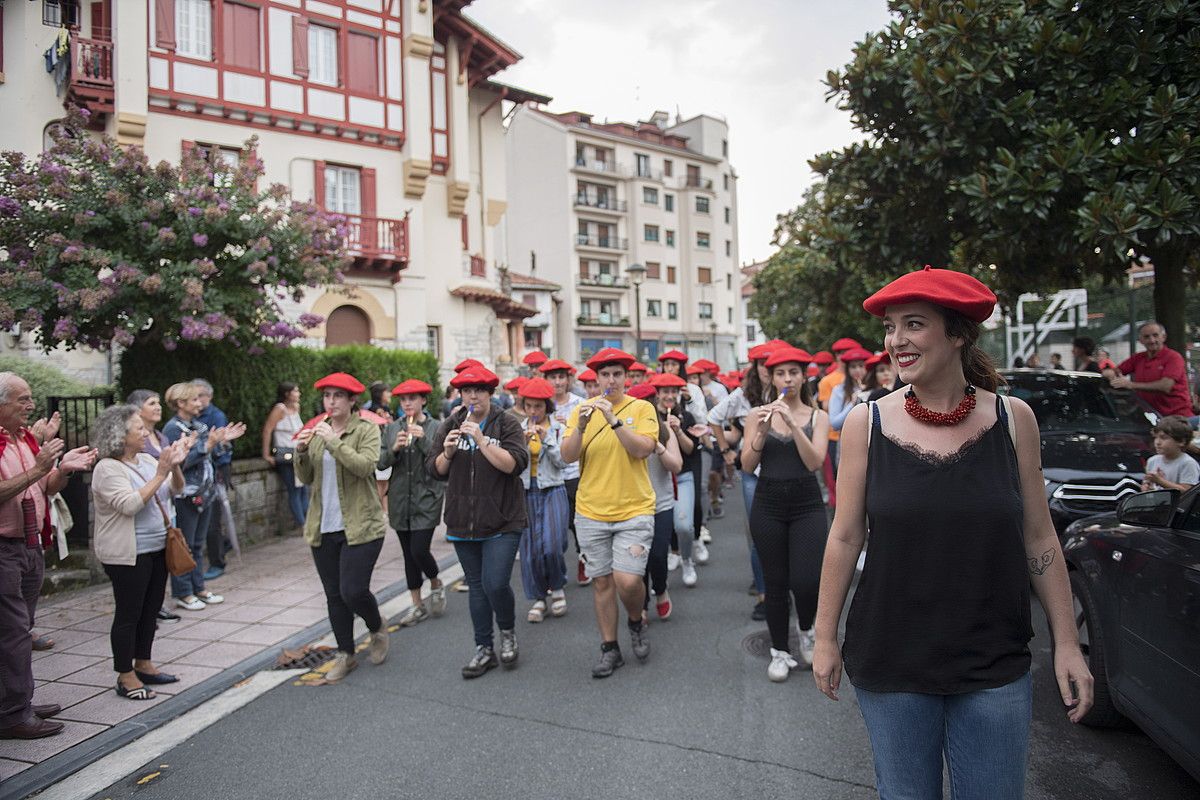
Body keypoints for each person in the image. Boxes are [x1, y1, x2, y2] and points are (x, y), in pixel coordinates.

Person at [812, 267, 1093, 798]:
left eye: (913, 325)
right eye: (891, 327)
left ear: (959, 334)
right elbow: (845, 537)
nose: (896, 340)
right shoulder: (864, 424)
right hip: (891, 661)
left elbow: (1040, 537)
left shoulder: (1015, 420)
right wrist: (825, 636)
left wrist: (1067, 645)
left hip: (994, 661)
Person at [0, 372, 96, 739]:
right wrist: (40, 468)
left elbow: (45, 486)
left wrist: (62, 471)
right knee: (12, 634)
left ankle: (14, 702)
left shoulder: (23, 438)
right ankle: (12, 713)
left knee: (19, 630)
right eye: (22, 400)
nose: (30, 406)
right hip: (4, 549)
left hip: (29, 546)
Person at [562, 348, 659, 678]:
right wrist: (581, 427)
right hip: (591, 511)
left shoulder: (642, 408)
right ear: (595, 380)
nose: (611, 380)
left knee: (628, 580)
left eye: (617, 374)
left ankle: (636, 619)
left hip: (635, 509)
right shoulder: (580, 411)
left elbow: (643, 449)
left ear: (626, 378)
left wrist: (614, 421)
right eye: (605, 375)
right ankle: (610, 648)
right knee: (602, 582)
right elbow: (566, 457)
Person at [427, 365, 528, 678]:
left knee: (495, 583)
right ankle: (483, 648)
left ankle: (508, 632)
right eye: (467, 390)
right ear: (460, 394)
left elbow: (516, 465)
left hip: (502, 519)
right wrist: (446, 452)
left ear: (490, 393)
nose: (473, 396)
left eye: (480, 390)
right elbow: (434, 469)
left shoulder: (507, 423)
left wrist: (483, 441)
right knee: (477, 587)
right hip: (463, 521)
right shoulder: (451, 424)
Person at [740, 347, 830, 682]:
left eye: (793, 372)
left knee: (806, 581)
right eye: (780, 373)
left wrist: (793, 424)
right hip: (768, 503)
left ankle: (806, 629)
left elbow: (814, 462)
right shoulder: (756, 415)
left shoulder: (817, 416)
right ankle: (779, 651)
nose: (787, 379)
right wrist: (762, 433)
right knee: (775, 582)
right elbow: (747, 466)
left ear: (803, 376)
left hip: (807, 504)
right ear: (771, 377)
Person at [295, 373, 391, 682]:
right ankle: (345, 654)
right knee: (334, 594)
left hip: (362, 524)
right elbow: (307, 477)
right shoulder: (315, 430)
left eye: (338, 396)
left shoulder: (366, 430)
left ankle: (376, 626)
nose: (331, 401)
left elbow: (365, 467)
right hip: (323, 526)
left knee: (353, 591)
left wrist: (334, 443)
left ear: (352, 401)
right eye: (327, 396)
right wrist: (300, 452)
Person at [90, 405, 188, 700]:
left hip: (157, 548)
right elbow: (130, 504)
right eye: (139, 429)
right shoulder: (107, 468)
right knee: (129, 613)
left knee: (150, 611)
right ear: (120, 435)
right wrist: (161, 473)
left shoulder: (146, 459)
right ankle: (125, 674)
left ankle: (144, 663)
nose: (146, 433)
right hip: (127, 554)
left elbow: (176, 490)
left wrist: (175, 466)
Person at [710, 342, 784, 620]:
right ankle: (765, 596)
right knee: (759, 536)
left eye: (772, 363)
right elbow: (714, 418)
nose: (767, 368)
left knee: (783, 535)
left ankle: (781, 588)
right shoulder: (742, 395)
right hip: (752, 474)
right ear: (755, 366)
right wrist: (727, 451)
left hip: (784, 471)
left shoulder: (788, 392)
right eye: (762, 363)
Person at [378, 379, 446, 626]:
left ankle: (436, 581)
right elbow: (380, 463)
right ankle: (417, 605)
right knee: (408, 555)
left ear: (423, 401)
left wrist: (424, 442)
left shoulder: (436, 427)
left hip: (426, 497)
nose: (407, 403)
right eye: (404, 399)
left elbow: (442, 461)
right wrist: (394, 448)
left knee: (419, 549)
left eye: (413, 399)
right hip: (399, 499)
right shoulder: (391, 428)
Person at [162, 383, 231, 611]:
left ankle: (198, 588)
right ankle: (183, 592)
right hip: (186, 494)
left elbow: (210, 455)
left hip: (206, 493)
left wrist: (220, 443)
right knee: (185, 544)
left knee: (198, 544)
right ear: (181, 403)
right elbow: (178, 462)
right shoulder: (173, 429)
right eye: (194, 400)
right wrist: (205, 447)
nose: (200, 403)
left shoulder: (198, 426)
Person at [514, 378, 570, 622]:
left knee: (553, 544)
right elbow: (514, 465)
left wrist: (547, 439)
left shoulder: (558, 428)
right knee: (531, 550)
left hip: (553, 489)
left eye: (538, 406)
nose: (534, 412)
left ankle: (557, 587)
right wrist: (522, 445)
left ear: (546, 406)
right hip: (527, 491)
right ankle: (538, 597)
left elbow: (563, 461)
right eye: (529, 406)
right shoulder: (517, 429)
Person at [126, 389, 182, 624]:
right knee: (139, 580)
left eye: (159, 402)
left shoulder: (160, 436)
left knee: (163, 564)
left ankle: (155, 606)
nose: (158, 407)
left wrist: (177, 462)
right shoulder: (129, 452)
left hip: (165, 508)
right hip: (142, 522)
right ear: (138, 411)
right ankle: (143, 611)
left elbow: (173, 481)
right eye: (152, 403)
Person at [628, 381, 683, 619]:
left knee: (658, 556)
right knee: (637, 561)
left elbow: (677, 466)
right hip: (633, 506)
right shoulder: (625, 430)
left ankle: (660, 589)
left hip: (661, 504)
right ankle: (642, 604)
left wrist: (659, 446)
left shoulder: (664, 430)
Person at [649, 374, 699, 594]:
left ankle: (687, 560)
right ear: (657, 394)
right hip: (657, 479)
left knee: (684, 526)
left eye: (673, 392)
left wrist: (677, 430)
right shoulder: (649, 415)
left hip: (683, 476)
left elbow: (689, 449)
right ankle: (670, 556)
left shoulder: (686, 416)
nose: (669, 396)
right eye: (665, 391)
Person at [539, 359, 588, 586]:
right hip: (549, 473)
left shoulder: (580, 403)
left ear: (568, 380)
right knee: (560, 525)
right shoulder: (539, 405)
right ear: (545, 380)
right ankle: (557, 566)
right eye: (552, 378)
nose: (557, 382)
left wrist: (569, 424)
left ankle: (583, 557)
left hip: (575, 470)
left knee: (577, 520)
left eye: (561, 377)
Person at [192, 379, 244, 581]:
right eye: (193, 397)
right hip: (198, 476)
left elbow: (223, 446)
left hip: (216, 471)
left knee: (213, 520)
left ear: (209, 397)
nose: (197, 401)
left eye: (199, 397)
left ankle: (217, 562)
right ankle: (223, 544)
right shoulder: (189, 420)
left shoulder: (216, 415)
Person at [1111, 321, 1194, 418]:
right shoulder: (1138, 358)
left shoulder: (1173, 357)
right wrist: (1109, 373)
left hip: (1177, 418)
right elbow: (1116, 371)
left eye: (1155, 335)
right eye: (1146, 337)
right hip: (1150, 419)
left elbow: (1165, 386)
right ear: (1141, 340)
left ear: (1163, 337)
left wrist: (1130, 385)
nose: (1152, 340)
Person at [261, 382, 311, 529]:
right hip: (285, 454)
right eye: (295, 391)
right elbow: (267, 430)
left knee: (303, 488)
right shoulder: (279, 409)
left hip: (298, 453)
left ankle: (308, 522)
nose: (299, 394)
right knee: (294, 489)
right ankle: (302, 524)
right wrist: (266, 454)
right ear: (287, 394)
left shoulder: (296, 408)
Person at [1140, 415, 1199, 493]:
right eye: (1156, 437)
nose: (1157, 442)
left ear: (1181, 441)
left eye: (1163, 438)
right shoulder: (1152, 460)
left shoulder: (1188, 463)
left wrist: (1160, 481)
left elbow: (1187, 492)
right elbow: (1147, 482)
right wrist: (1145, 486)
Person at [829, 347, 873, 436]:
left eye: (861, 366)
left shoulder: (874, 389)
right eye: (853, 367)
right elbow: (834, 424)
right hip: (848, 439)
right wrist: (852, 403)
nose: (857, 370)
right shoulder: (839, 390)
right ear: (847, 369)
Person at [365, 381, 395, 512]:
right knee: (380, 481)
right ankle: (377, 509)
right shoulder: (374, 410)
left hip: (387, 446)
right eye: (387, 391)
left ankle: (384, 509)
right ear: (379, 394)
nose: (390, 394)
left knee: (385, 481)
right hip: (378, 447)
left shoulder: (386, 409)